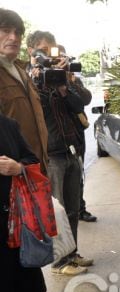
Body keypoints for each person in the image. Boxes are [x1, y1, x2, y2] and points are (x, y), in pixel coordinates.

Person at [0, 9, 59, 292]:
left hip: (29, 167)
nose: (13, 37)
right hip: (7, 178)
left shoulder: (19, 70)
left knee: (30, 235)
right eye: (5, 30)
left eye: (17, 32)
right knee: (12, 251)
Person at [27, 30, 92, 275]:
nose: (48, 54)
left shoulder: (63, 76)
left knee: (73, 209)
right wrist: (37, 78)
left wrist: (65, 83)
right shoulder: (28, 78)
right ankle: (61, 261)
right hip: (52, 153)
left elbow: (81, 102)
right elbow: (35, 110)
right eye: (42, 50)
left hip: (72, 148)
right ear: (31, 51)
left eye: (51, 49)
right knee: (58, 211)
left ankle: (72, 254)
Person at [0, 114, 47, 292]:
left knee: (21, 284)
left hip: (15, 219)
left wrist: (18, 168)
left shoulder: (8, 124)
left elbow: (31, 158)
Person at [57, 44, 97, 223]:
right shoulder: (44, 79)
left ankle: (80, 207)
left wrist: (70, 81)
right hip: (58, 139)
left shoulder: (71, 79)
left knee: (78, 172)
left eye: (63, 57)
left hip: (77, 134)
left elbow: (86, 99)